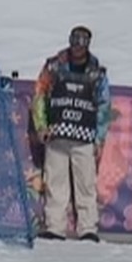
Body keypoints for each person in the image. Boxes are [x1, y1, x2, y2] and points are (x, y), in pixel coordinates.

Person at [31, 25, 112, 241]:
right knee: (55, 183)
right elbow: (39, 94)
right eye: (75, 40)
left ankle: (87, 228)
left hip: (84, 136)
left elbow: (104, 106)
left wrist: (99, 138)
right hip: (57, 133)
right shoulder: (54, 67)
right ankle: (55, 226)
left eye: (83, 41)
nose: (78, 46)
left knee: (86, 184)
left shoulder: (96, 73)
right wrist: (41, 125)